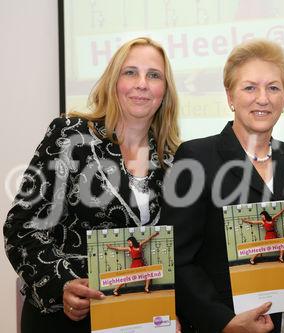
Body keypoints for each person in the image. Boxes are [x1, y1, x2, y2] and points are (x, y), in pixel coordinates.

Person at [3, 37, 180, 333]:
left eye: (154, 75)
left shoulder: (173, 160)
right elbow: (21, 227)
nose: (142, 84)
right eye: (130, 72)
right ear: (113, 82)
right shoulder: (70, 137)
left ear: (165, 91)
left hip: (141, 319)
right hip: (67, 320)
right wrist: (64, 285)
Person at [165, 39, 284, 333]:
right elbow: (177, 258)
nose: (262, 98)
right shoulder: (196, 159)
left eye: (273, 88)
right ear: (230, 95)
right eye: (250, 87)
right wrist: (222, 321)